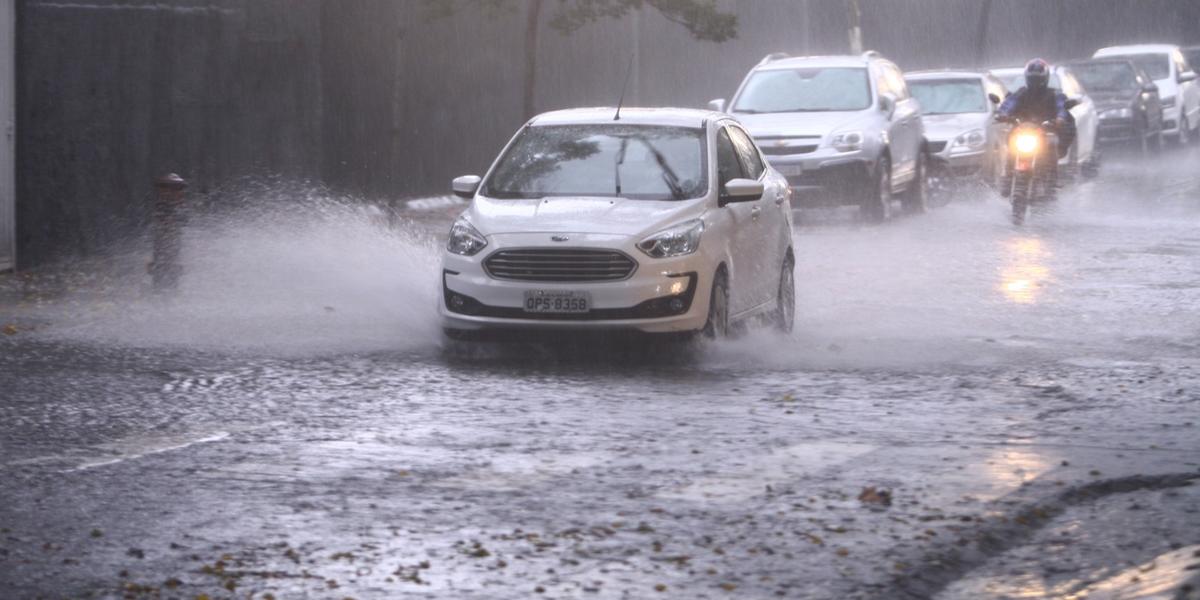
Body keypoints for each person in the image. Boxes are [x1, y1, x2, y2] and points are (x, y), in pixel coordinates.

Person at [996, 58, 1076, 197]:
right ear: (1027, 78)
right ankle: (1008, 179)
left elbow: (1061, 107)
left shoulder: (1055, 94)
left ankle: (1051, 182)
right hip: (1023, 129)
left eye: (1038, 79)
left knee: (1052, 144)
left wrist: (1060, 119)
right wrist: (1003, 114)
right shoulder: (1021, 93)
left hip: (1045, 130)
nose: (1035, 82)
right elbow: (1009, 104)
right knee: (1011, 144)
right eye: (1032, 79)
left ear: (1045, 78)